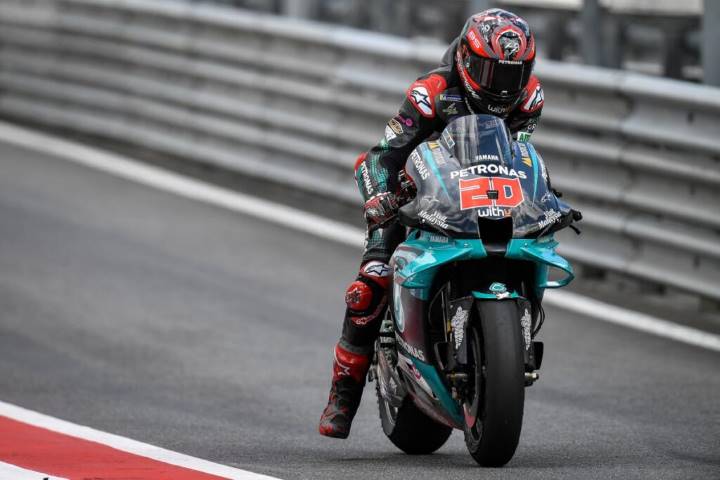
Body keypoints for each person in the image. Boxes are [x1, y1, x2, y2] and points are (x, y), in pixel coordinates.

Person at [319, 8, 544, 438]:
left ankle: (511, 339)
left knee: (531, 246)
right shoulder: (431, 93)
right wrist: (380, 197)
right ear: (465, 59)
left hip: (479, 193)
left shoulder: (529, 99)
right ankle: (342, 393)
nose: (500, 86)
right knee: (372, 279)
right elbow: (382, 154)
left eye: (510, 75)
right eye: (489, 71)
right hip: (414, 193)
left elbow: (517, 158)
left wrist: (543, 198)